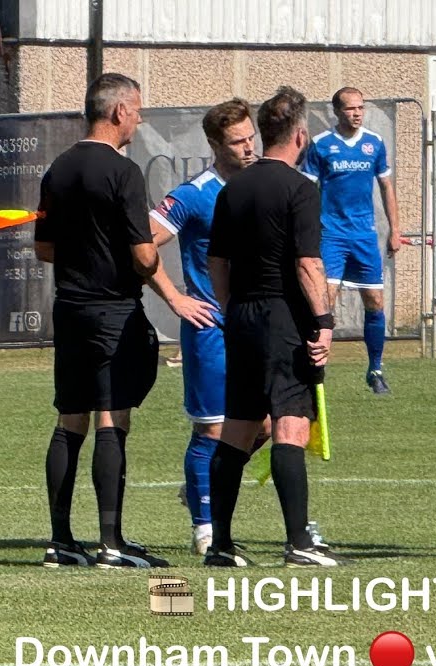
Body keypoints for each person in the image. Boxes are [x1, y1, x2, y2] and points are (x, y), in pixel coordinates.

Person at [204, 86, 348, 568]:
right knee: (290, 425)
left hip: (242, 317)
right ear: (300, 136)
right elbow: (308, 263)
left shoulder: (232, 189)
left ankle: (221, 545)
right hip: (282, 317)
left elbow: (216, 261)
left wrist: (231, 307)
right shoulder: (300, 188)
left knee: (238, 428)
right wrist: (324, 322)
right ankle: (299, 543)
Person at [34, 72, 170, 570]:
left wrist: (86, 255)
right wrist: (148, 259)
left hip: (70, 308)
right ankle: (112, 543)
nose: (139, 119)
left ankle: (60, 541)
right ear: (118, 112)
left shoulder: (58, 169)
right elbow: (143, 255)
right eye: (137, 110)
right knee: (112, 417)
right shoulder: (124, 172)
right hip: (113, 311)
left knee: (70, 418)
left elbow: (44, 248)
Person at [147, 98, 260, 556]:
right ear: (215, 144)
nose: (248, 147)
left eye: (251, 137)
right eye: (237, 141)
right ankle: (205, 526)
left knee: (271, 425)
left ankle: (203, 483)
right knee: (212, 430)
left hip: (255, 326)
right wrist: (175, 298)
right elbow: (142, 242)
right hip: (211, 328)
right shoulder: (195, 194)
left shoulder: (263, 185)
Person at [301, 86, 402, 394]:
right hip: (331, 235)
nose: (357, 113)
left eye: (360, 107)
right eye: (350, 108)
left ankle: (375, 369)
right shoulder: (321, 144)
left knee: (375, 302)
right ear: (337, 111)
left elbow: (386, 186)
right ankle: (314, 369)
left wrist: (395, 230)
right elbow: (306, 191)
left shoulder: (374, 143)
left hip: (364, 236)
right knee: (324, 302)